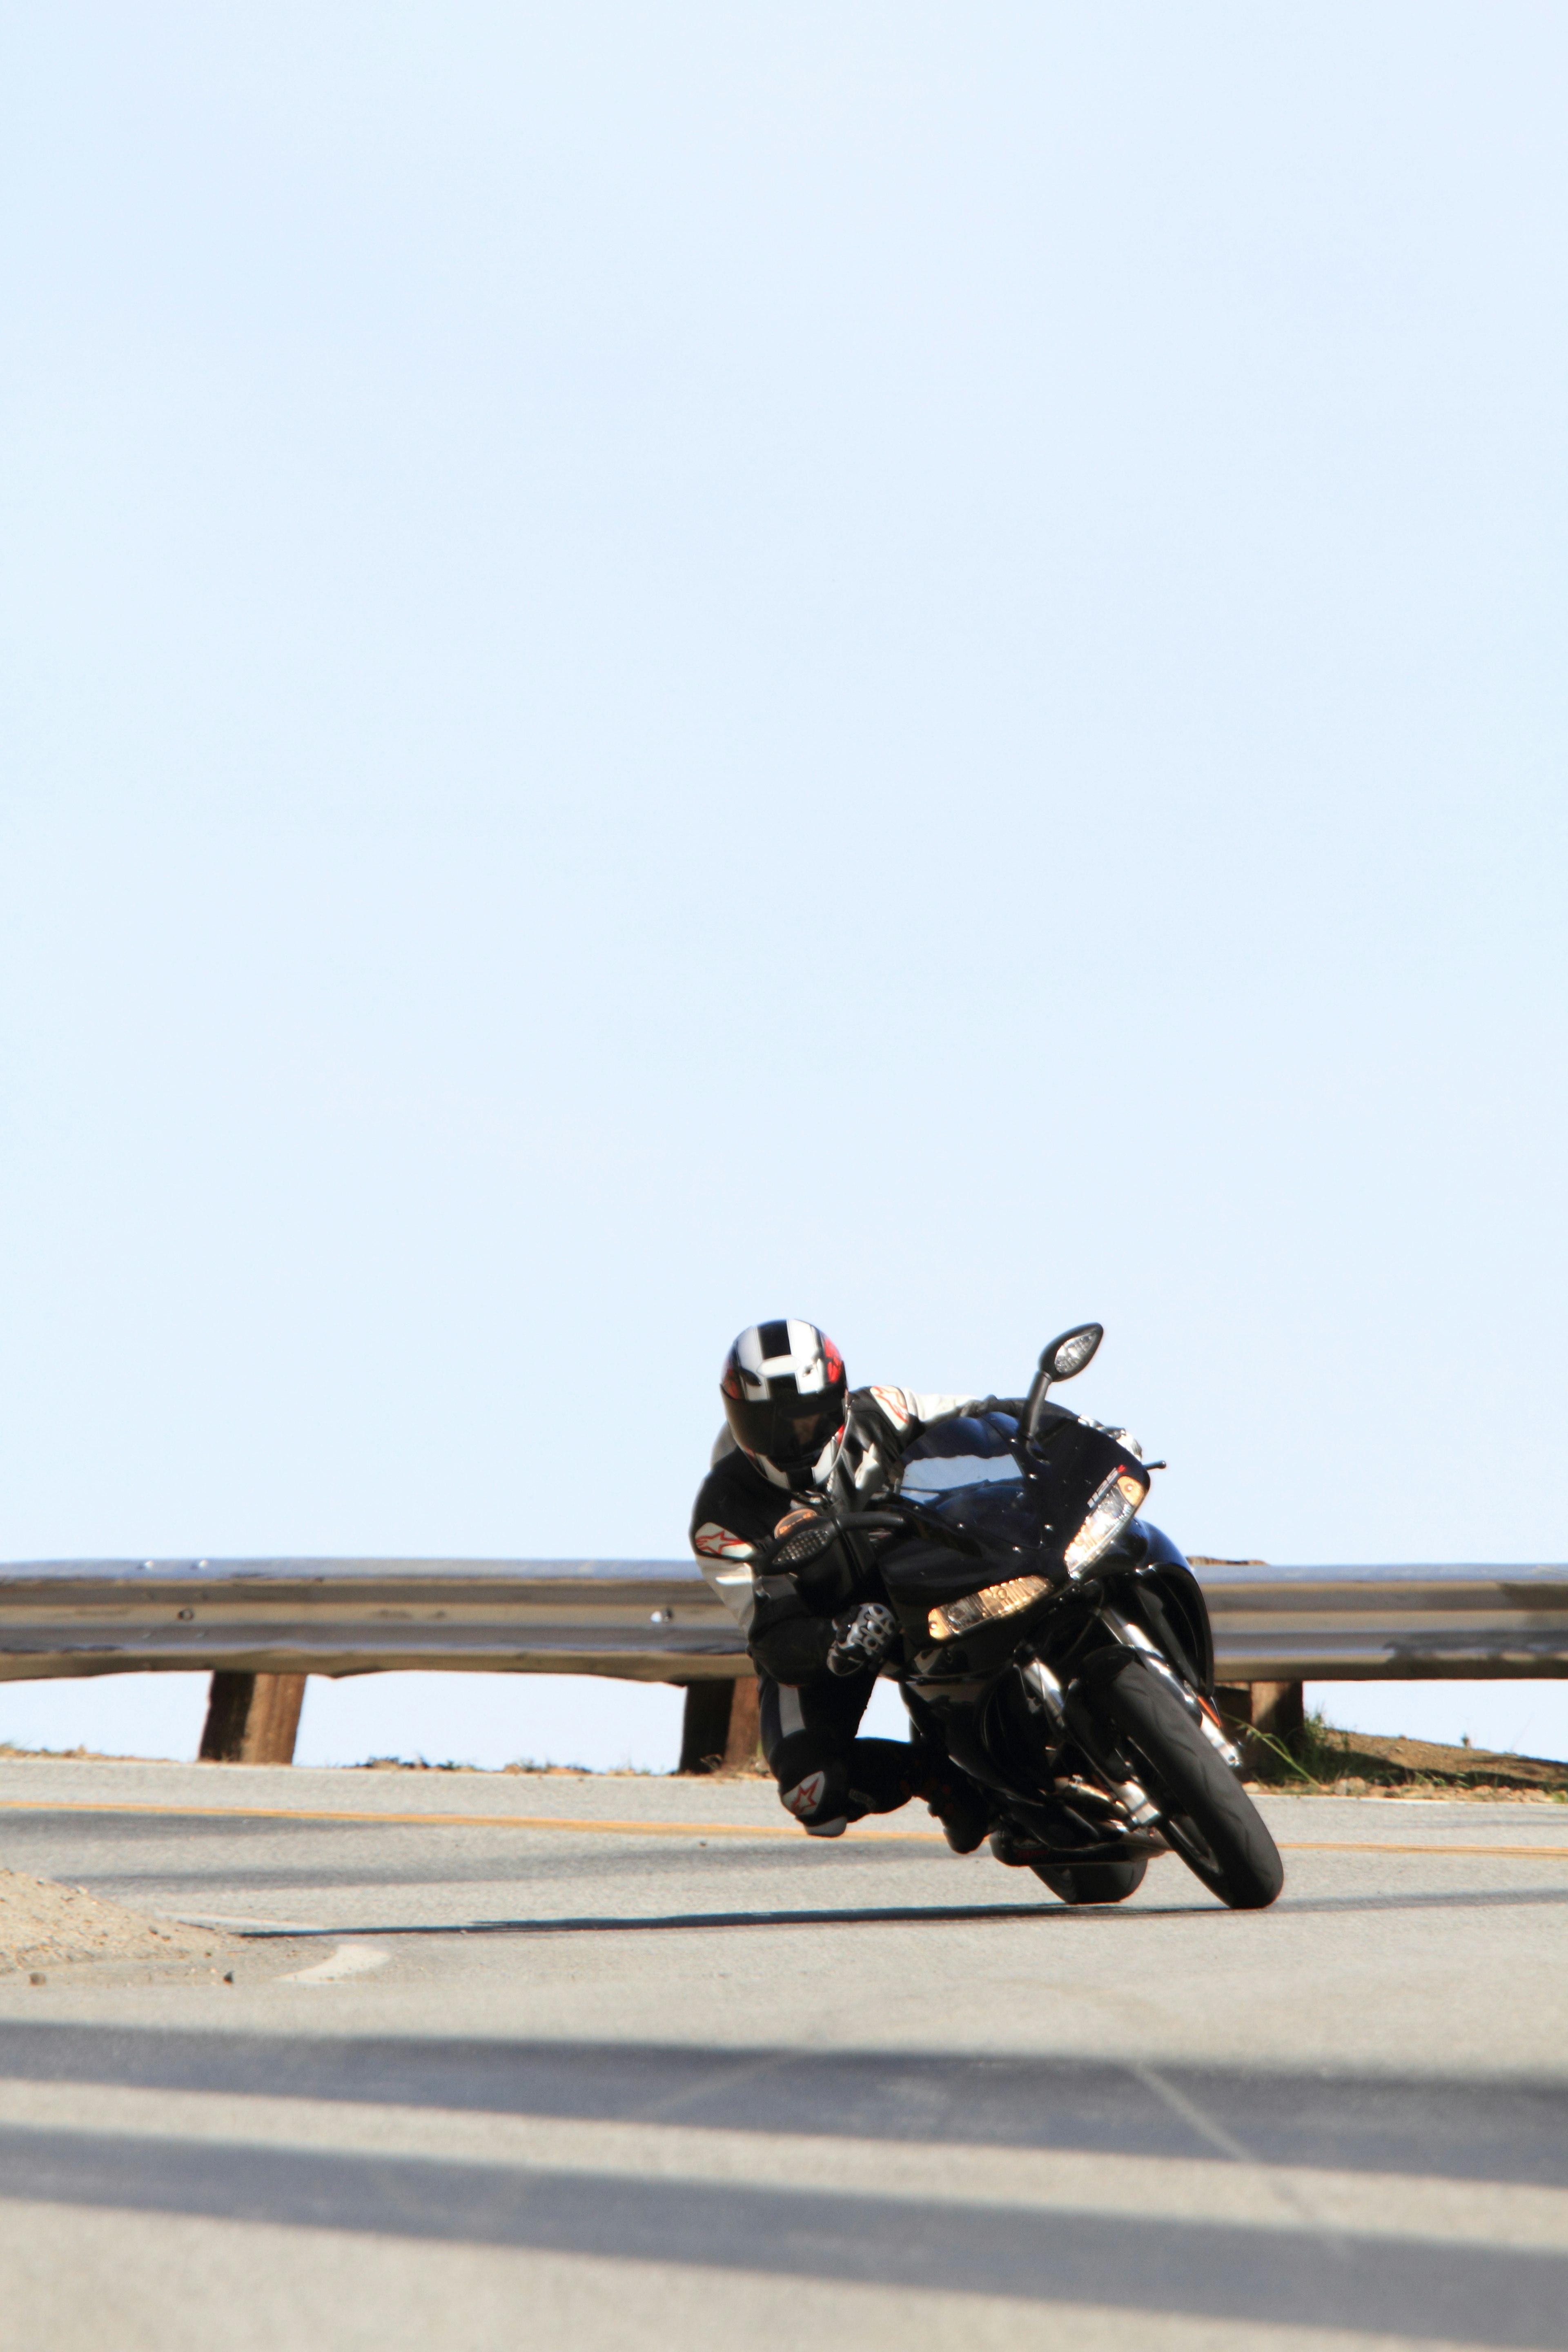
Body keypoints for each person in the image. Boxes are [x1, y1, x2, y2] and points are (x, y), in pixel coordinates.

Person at [689, 1318, 1015, 1844]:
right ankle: (933, 1774)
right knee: (811, 1791)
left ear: (838, 1399)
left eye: (809, 1418)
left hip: (927, 1570)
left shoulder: (881, 1410)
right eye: (770, 1426)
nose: (794, 1439)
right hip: (831, 1618)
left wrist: (1070, 1429)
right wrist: (834, 1639)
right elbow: (770, 1629)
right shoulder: (723, 1516)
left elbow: (985, 1414)